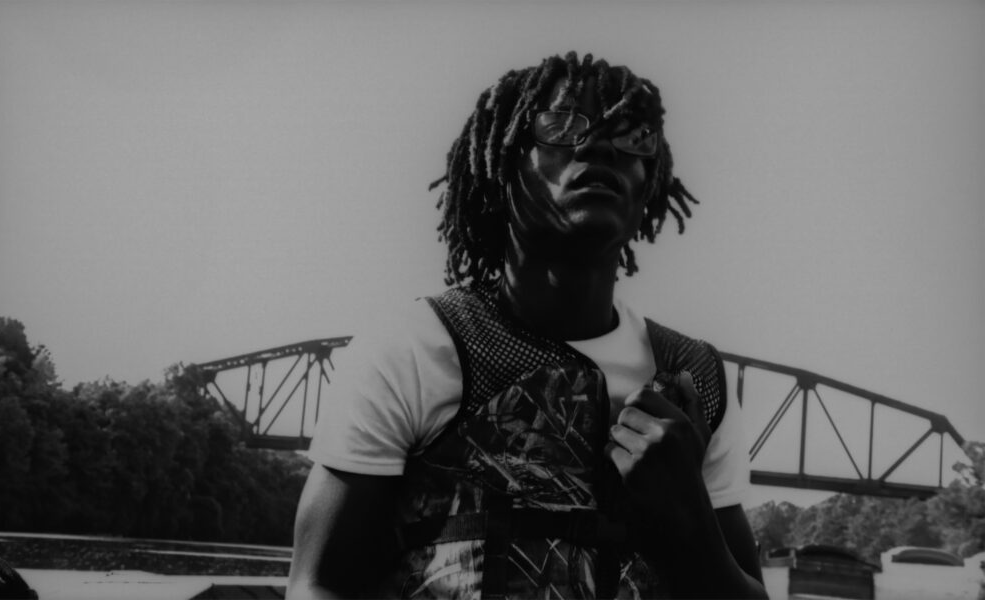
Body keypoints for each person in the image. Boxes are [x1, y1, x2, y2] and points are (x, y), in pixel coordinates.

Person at [287, 51, 767, 599]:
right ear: (504, 168)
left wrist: (691, 527)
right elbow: (318, 585)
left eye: (634, 136)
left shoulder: (694, 379)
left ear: (649, 189)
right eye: (562, 125)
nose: (600, 145)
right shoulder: (413, 348)